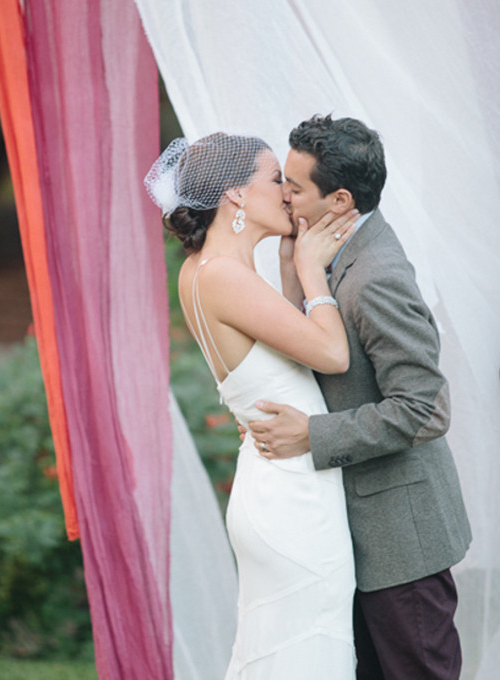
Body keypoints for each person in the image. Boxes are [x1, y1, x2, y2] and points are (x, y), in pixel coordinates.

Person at [247, 114, 472, 680]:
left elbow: (425, 408)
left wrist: (311, 435)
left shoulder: (375, 276)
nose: (284, 194)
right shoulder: (330, 252)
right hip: (360, 532)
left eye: (294, 186)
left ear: (340, 198)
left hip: (402, 539)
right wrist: (292, 267)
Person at [144, 132, 359, 679]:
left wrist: (290, 266)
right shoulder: (222, 275)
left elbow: (283, 358)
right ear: (235, 195)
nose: (287, 193)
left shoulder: (207, 271)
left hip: (275, 483)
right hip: (292, 498)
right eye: (273, 179)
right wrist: (313, 273)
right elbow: (332, 353)